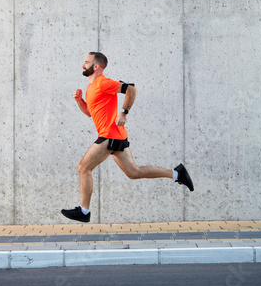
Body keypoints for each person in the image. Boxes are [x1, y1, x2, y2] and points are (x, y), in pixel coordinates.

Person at [61, 52, 194, 223]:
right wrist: (80, 101)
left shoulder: (104, 83)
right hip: (115, 135)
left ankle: (84, 211)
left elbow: (131, 89)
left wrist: (124, 113)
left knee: (83, 168)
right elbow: (90, 113)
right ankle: (177, 174)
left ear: (96, 66)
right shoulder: (91, 87)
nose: (83, 65)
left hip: (109, 135)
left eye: (86, 62)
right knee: (134, 172)